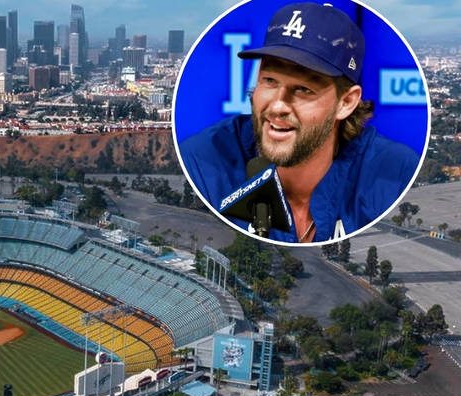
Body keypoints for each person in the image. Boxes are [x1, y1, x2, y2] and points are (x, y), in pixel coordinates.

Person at [179, 2, 420, 243]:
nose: (277, 106)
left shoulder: (393, 175)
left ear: (345, 102)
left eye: (304, 89)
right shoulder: (205, 161)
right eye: (270, 80)